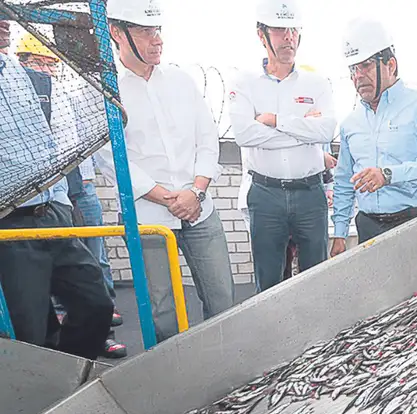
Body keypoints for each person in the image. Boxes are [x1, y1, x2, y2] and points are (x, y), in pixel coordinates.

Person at [101, 0, 234, 342]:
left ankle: (224, 366)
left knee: (223, 300)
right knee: (162, 312)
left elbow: (208, 139)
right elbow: (110, 158)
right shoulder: (106, 91)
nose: (157, 39)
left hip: (200, 210)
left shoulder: (181, 81)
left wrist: (196, 192)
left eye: (157, 30)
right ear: (117, 33)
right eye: (145, 31)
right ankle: (174, 372)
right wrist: (168, 198)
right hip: (148, 218)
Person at [0, 19, 113, 359]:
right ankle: (42, 387)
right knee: (28, 333)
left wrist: (61, 199)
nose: (4, 22)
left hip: (52, 213)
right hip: (10, 224)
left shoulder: (17, 72)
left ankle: (71, 375)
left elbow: (47, 141)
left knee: (96, 303)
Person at [230, 0, 337, 292]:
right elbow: (244, 135)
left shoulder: (317, 83)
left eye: (293, 30)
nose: (288, 37)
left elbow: (326, 129)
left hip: (310, 194)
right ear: (261, 34)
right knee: (269, 284)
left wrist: (275, 121)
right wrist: (303, 129)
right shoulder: (244, 82)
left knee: (317, 280)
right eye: (279, 30)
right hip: (266, 195)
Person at [331, 18, 417, 253]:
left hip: (414, 225)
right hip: (368, 229)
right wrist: (340, 234)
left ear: (390, 65)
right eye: (353, 69)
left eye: (365, 65)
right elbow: (344, 181)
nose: (358, 76)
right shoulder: (350, 124)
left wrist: (387, 175)